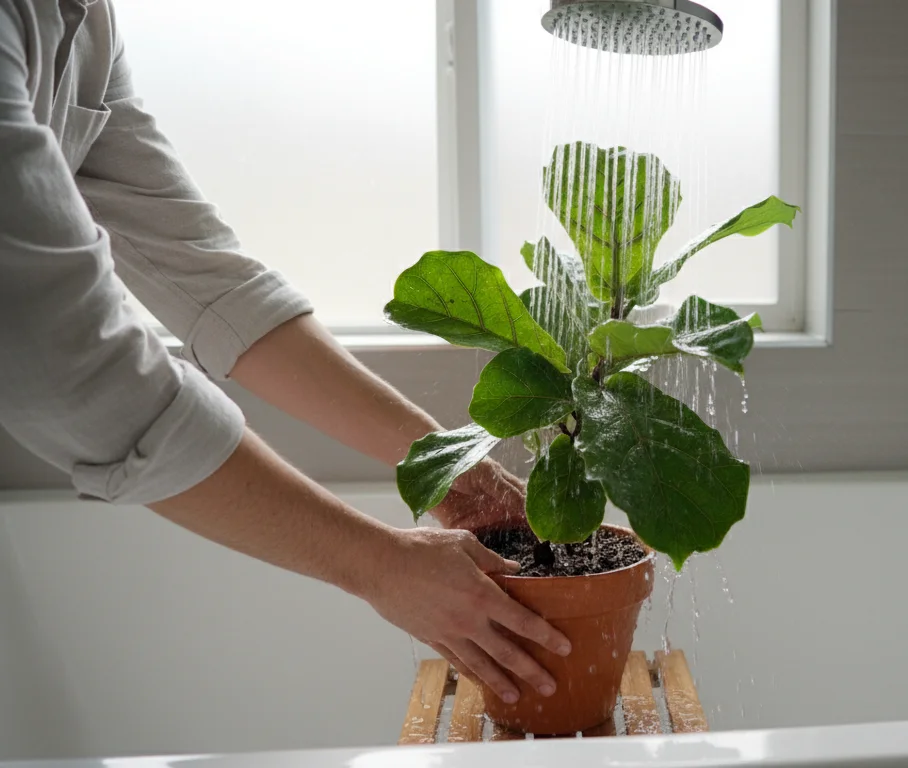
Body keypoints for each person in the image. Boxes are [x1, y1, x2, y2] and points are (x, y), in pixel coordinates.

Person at [0, 0, 565, 705]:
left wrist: (449, 469)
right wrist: (380, 564)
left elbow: (211, 282)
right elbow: (73, 370)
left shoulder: (86, 21)